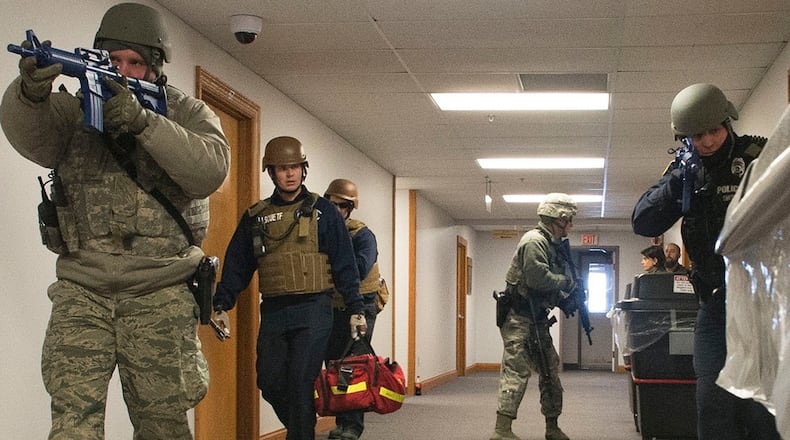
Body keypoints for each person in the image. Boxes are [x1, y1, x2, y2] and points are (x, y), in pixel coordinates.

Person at [0, 3, 230, 439]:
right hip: (83, 290)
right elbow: (30, 138)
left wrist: (144, 123)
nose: (121, 72)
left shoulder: (187, 112)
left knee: (162, 426)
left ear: (156, 67)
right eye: (113, 60)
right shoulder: (75, 110)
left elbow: (210, 171)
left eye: (135, 62)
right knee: (72, 424)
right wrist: (29, 94)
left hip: (159, 293)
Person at [631, 83, 779, 440]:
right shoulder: (684, 173)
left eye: (714, 131)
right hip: (715, 304)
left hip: (761, 305)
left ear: (727, 123)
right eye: (697, 136)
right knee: (712, 401)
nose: (708, 141)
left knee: (760, 408)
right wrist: (679, 181)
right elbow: (643, 222)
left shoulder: (758, 155)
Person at [212, 136, 367, 440]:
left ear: (303, 169)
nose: (290, 174)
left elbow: (345, 263)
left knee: (300, 383)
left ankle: (300, 432)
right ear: (271, 172)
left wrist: (356, 308)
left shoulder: (324, 212)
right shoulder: (256, 217)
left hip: (314, 310)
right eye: (282, 168)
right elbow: (237, 264)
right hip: (274, 311)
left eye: (295, 167)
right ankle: (302, 424)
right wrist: (221, 303)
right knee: (269, 381)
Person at [490, 193, 578, 440]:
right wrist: (565, 282)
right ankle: (502, 430)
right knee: (516, 371)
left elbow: (545, 287)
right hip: (518, 318)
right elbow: (537, 278)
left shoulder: (553, 245)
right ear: (558, 218)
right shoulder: (534, 241)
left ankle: (552, 426)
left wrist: (564, 299)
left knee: (550, 372)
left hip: (537, 318)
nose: (571, 225)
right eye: (569, 219)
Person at [322, 178, 388, 440]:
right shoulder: (322, 233)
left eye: (343, 206)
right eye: (332, 205)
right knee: (334, 365)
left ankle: (352, 426)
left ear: (350, 209)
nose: (337, 210)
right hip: (332, 307)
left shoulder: (363, 236)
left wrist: (336, 255)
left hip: (360, 308)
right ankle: (342, 422)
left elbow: (359, 269)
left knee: (353, 366)